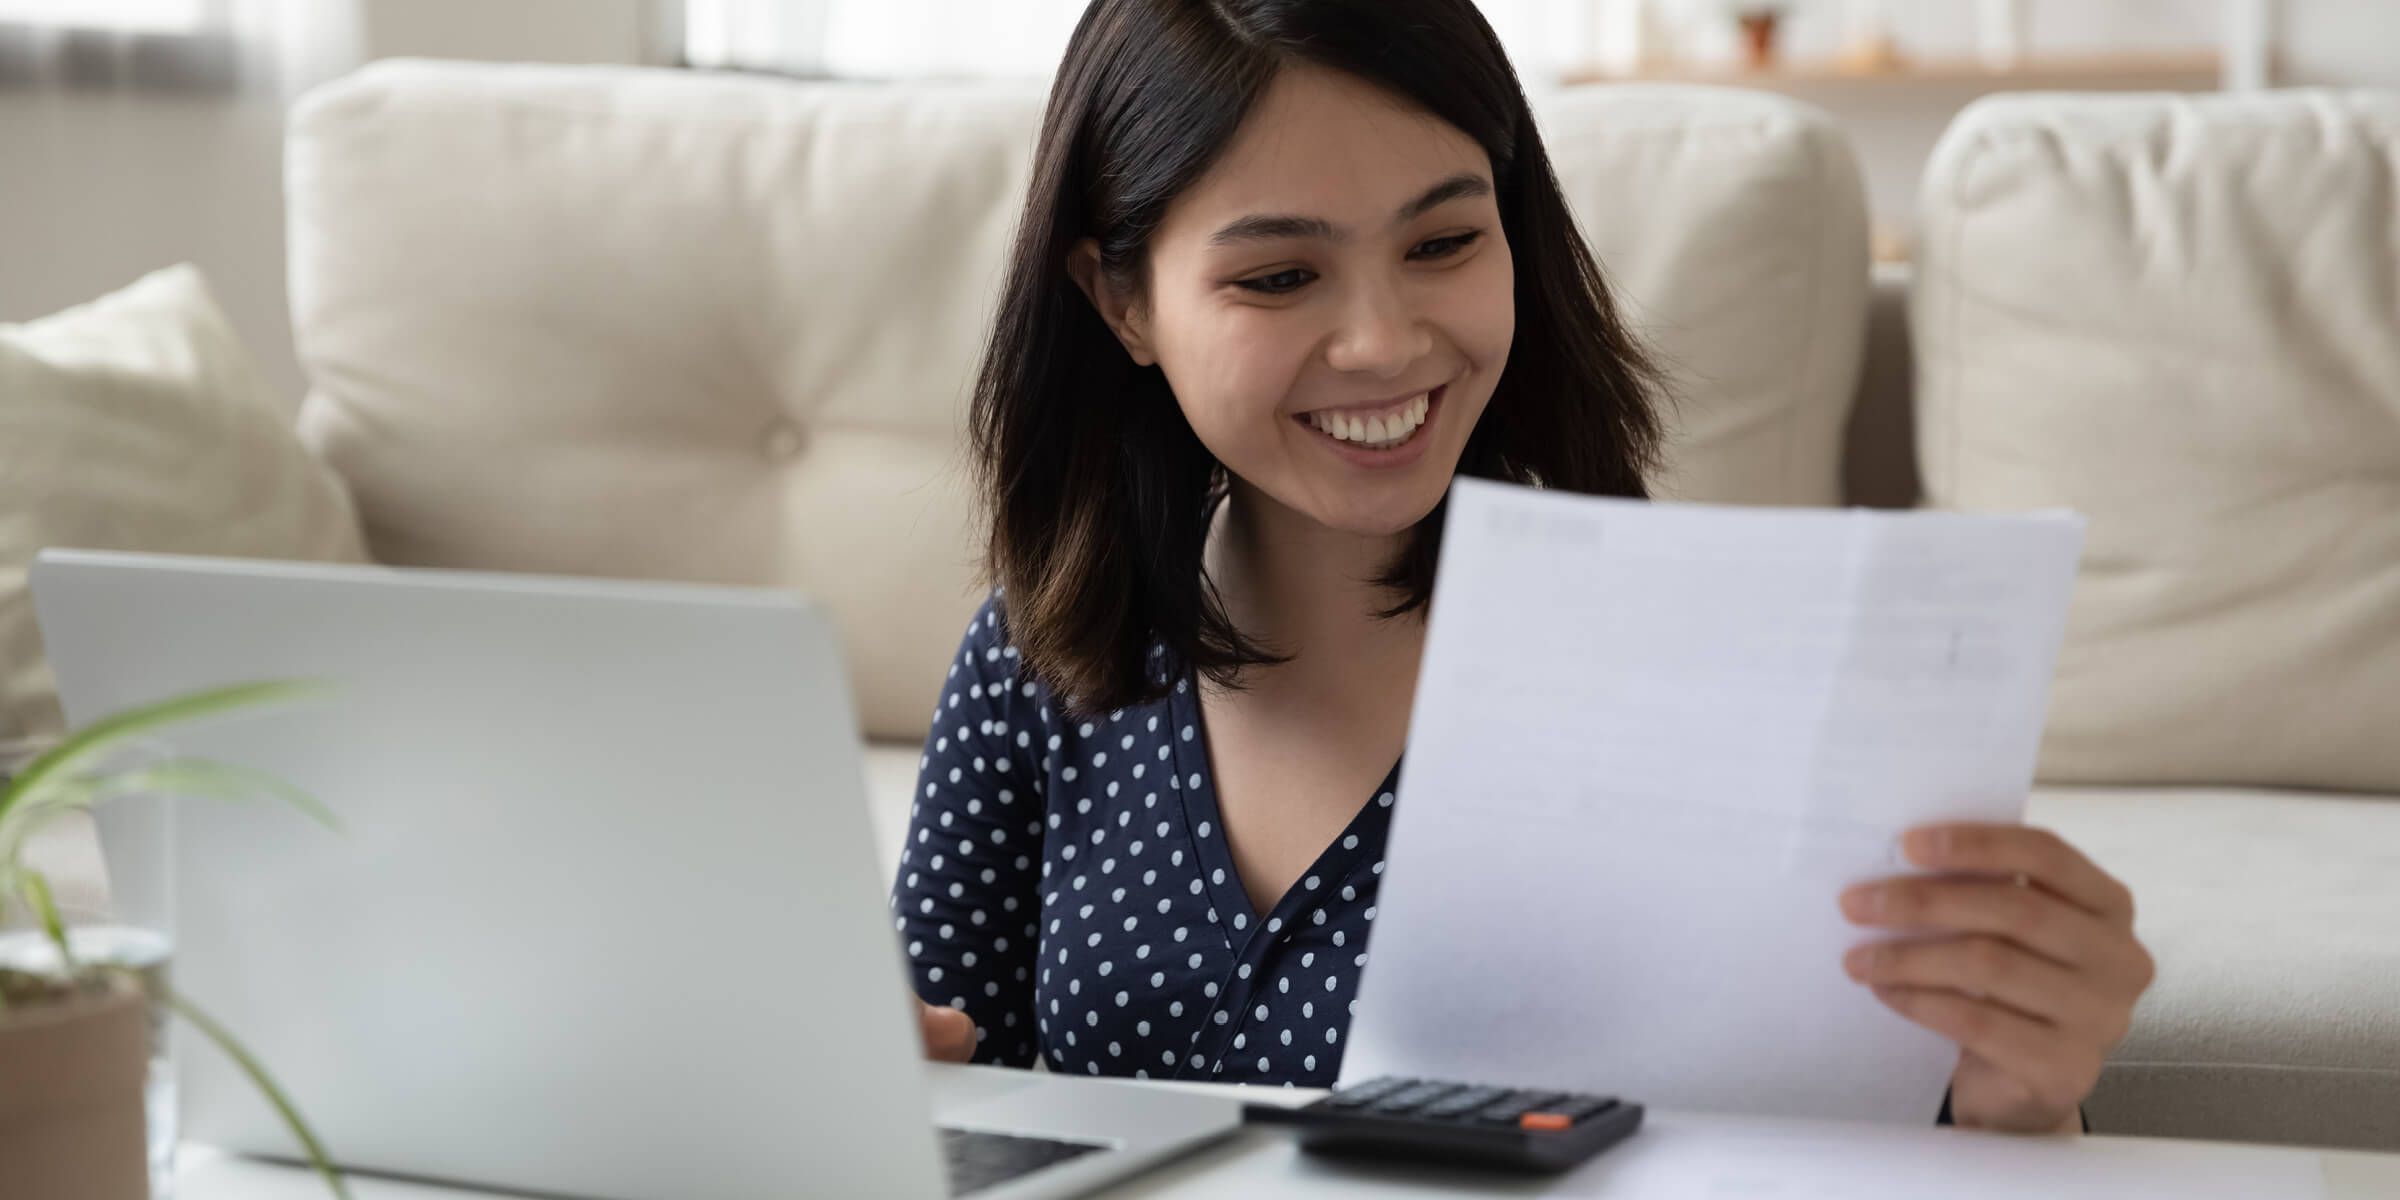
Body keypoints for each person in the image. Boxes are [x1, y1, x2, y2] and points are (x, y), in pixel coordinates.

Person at [888, 0, 2153, 1136]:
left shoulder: (1692, 673)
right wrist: (874, 1065)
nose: (1386, 341)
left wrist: (2023, 1105)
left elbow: (1883, 1130)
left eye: (1442, 243)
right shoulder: (1040, 657)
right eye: (1280, 276)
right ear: (1121, 303)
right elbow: (940, 1099)